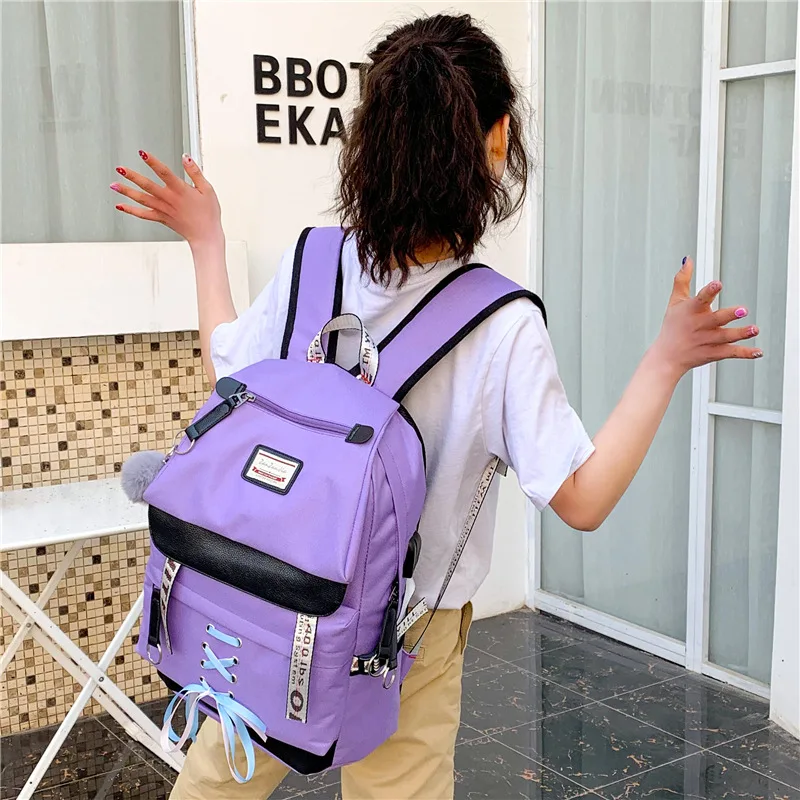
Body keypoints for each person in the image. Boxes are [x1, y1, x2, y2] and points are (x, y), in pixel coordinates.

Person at [110, 13, 761, 800]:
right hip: (408, 631)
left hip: (274, 595)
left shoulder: (312, 261)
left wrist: (206, 241)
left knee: (219, 780)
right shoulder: (500, 323)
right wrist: (665, 360)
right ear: (497, 142)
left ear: (369, 139)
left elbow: (229, 378)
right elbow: (581, 499)